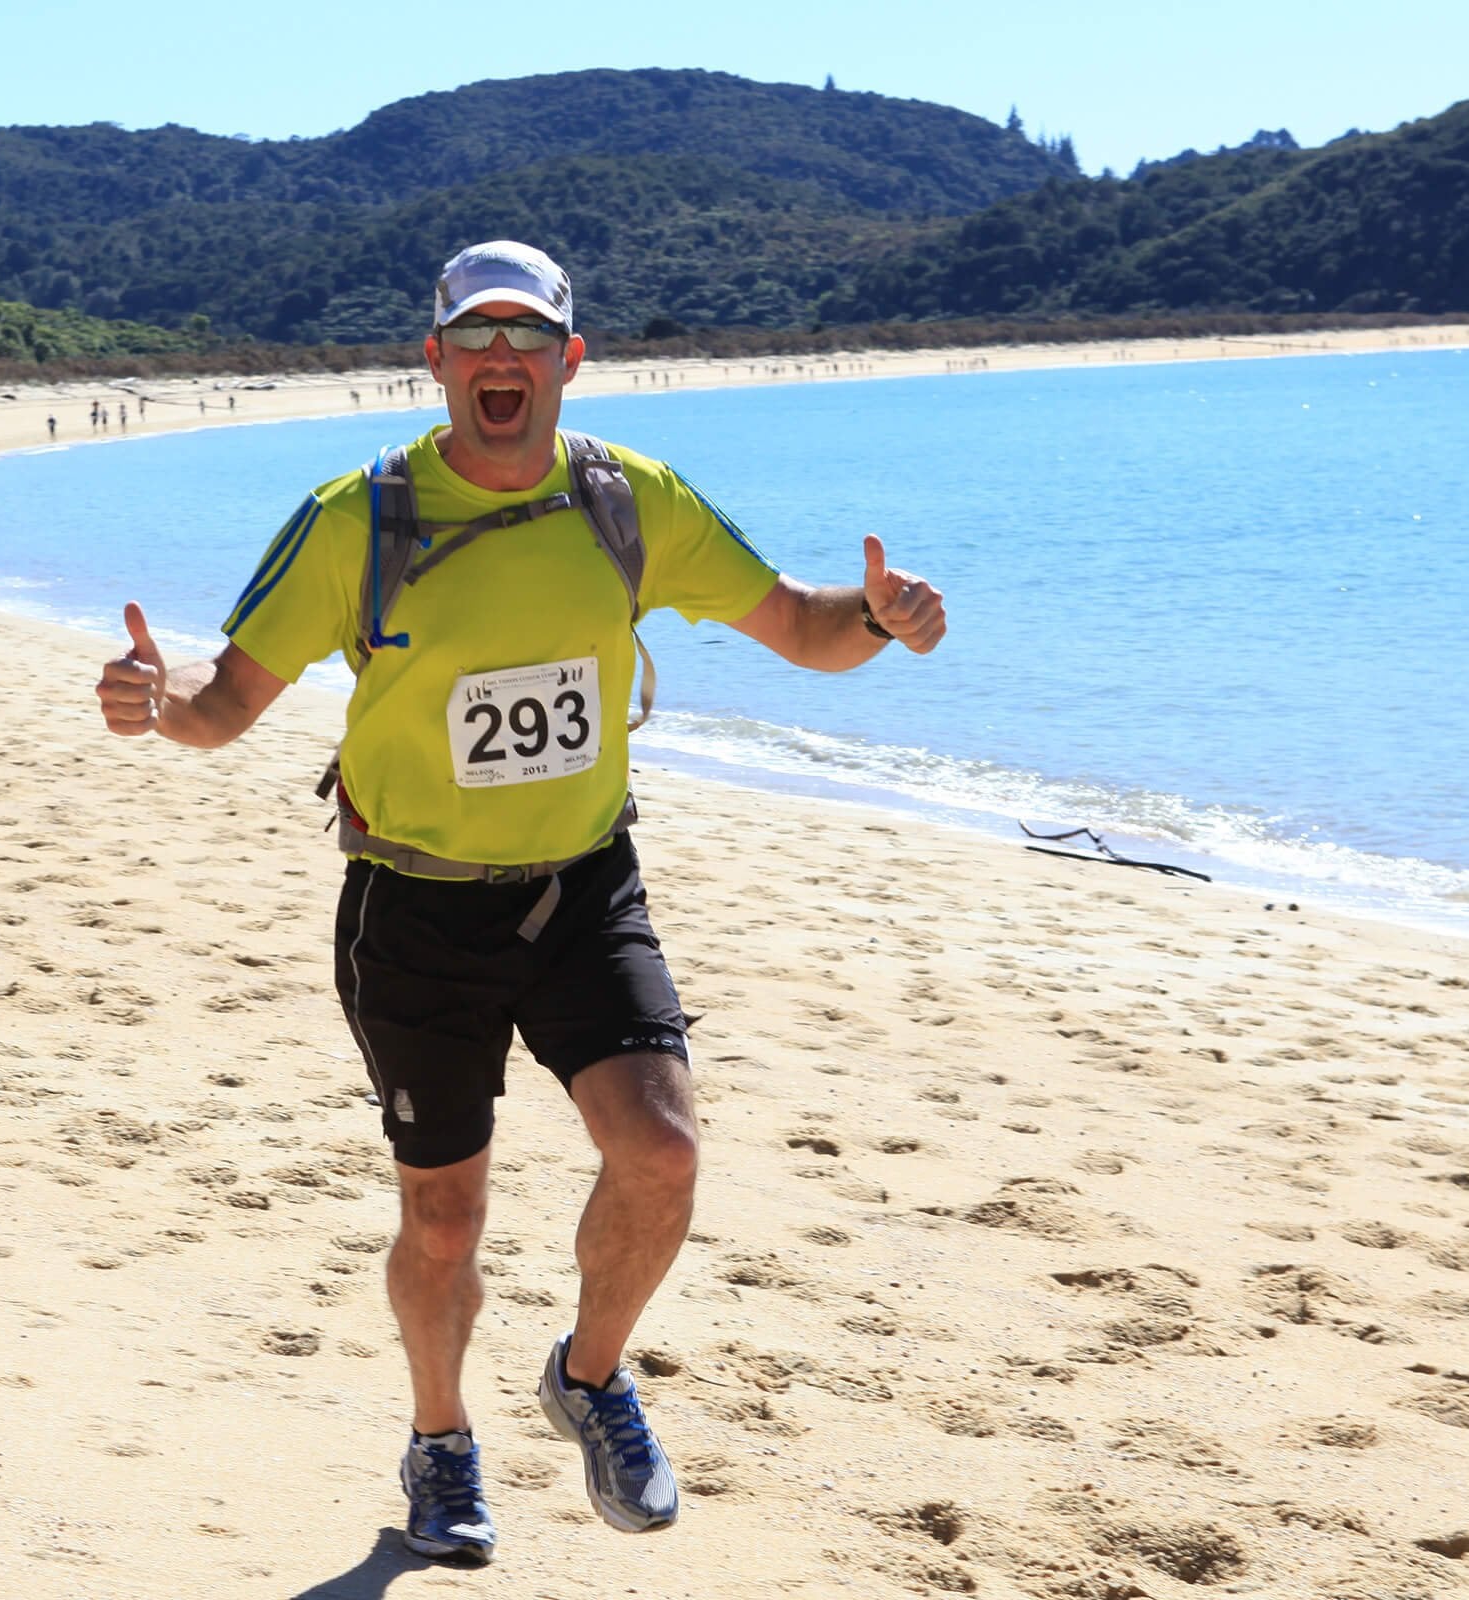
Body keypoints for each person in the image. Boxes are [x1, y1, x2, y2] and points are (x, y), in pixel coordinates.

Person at [94, 241, 946, 1565]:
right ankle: (441, 1441)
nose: (503, 359)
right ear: (435, 361)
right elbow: (226, 705)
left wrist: (882, 618)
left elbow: (800, 624)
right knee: (444, 1217)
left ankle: (591, 1376)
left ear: (568, 360)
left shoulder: (627, 501)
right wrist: (158, 708)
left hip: (582, 886)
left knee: (661, 1152)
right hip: (415, 910)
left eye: (528, 338)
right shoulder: (355, 523)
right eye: (475, 338)